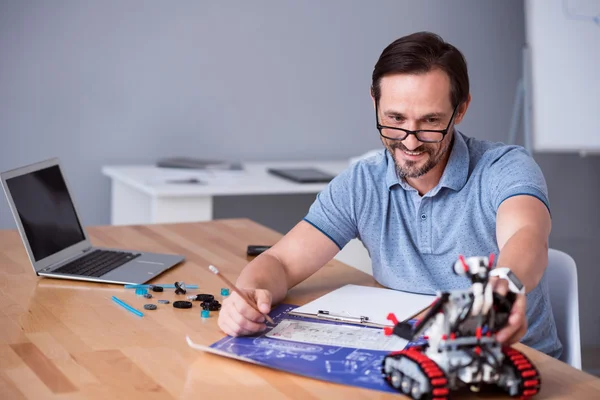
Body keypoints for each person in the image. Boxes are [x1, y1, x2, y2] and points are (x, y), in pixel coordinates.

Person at [217, 31, 562, 358]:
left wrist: (504, 283)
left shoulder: (504, 167)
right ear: (374, 102)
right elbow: (280, 262)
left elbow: (526, 234)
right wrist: (249, 296)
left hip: (510, 360)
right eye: (394, 118)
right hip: (408, 356)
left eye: (430, 122)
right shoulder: (362, 183)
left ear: (460, 109)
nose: (410, 142)